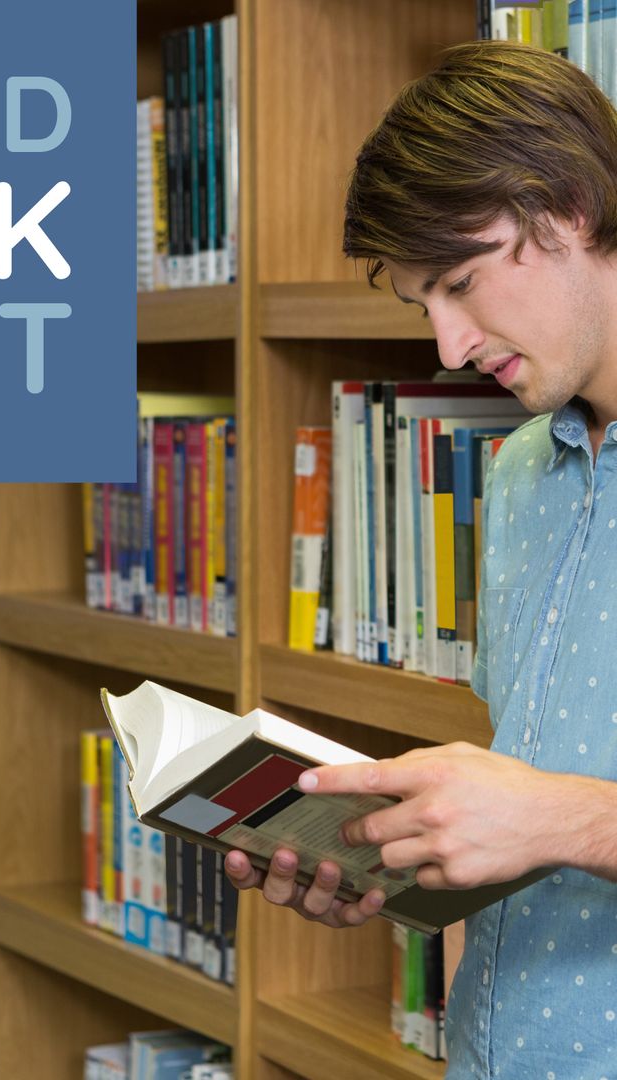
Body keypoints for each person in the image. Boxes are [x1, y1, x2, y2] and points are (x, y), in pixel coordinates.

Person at [225, 39, 617, 1076]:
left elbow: (560, 817)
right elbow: (524, 819)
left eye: (460, 281)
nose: (447, 348)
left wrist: (570, 822)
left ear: (567, 207)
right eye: (421, 304)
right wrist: (399, 869)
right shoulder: (525, 474)